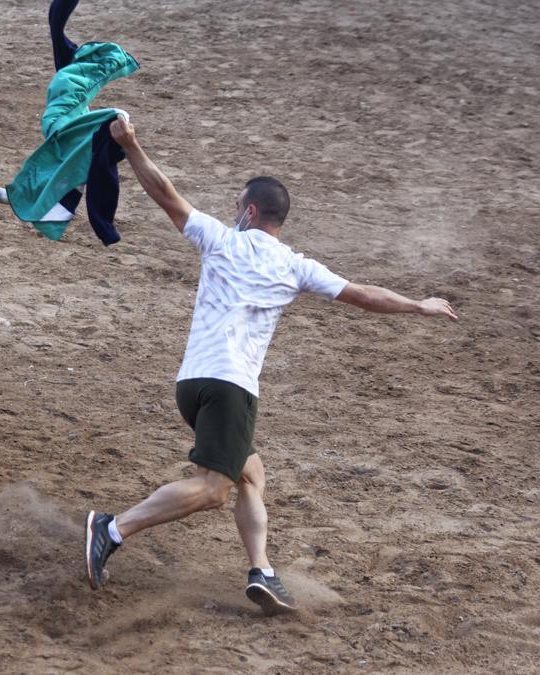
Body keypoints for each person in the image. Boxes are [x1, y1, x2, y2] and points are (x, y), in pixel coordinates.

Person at [84, 115, 458, 614]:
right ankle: (111, 529)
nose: (234, 212)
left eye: (238, 206)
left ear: (251, 210)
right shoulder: (296, 266)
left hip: (192, 384)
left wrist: (129, 145)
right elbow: (364, 295)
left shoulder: (220, 239)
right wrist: (417, 305)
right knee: (215, 488)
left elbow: (164, 191)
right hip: (232, 386)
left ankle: (262, 571)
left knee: (251, 475)